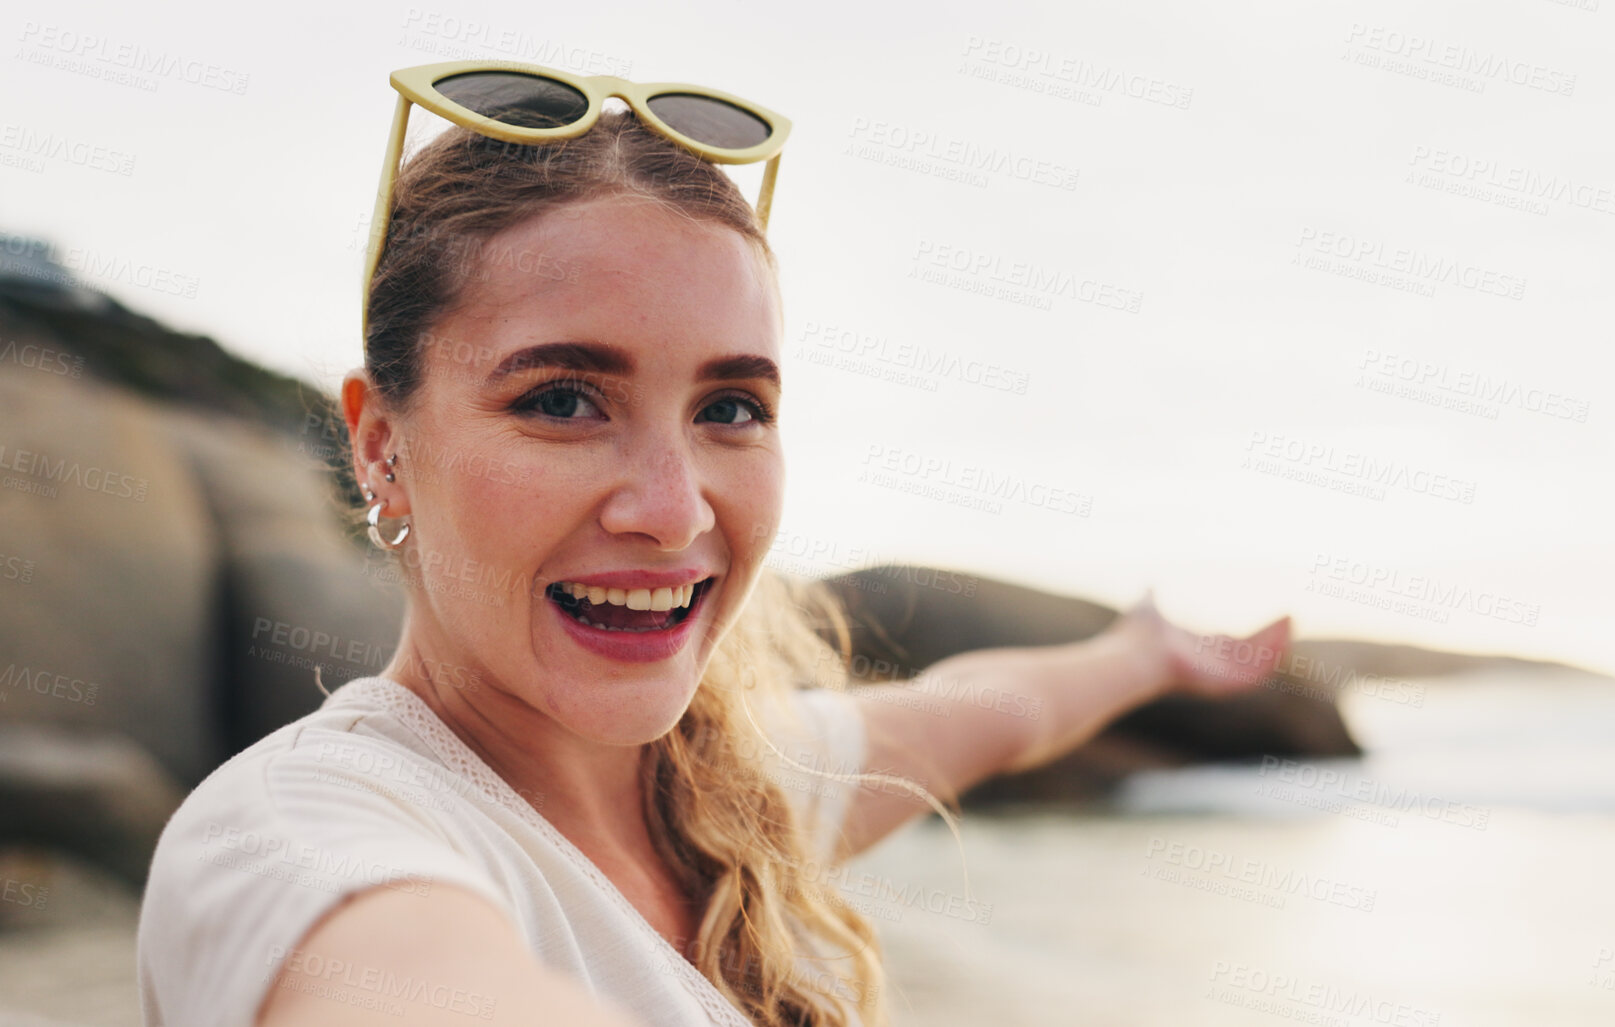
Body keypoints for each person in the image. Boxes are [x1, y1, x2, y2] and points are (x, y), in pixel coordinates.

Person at [135, 61, 1290, 1027]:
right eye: (562, 398)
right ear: (383, 444)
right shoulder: (293, 834)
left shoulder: (727, 794)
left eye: (730, 408)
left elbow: (988, 708)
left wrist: (1148, 653)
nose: (673, 509)